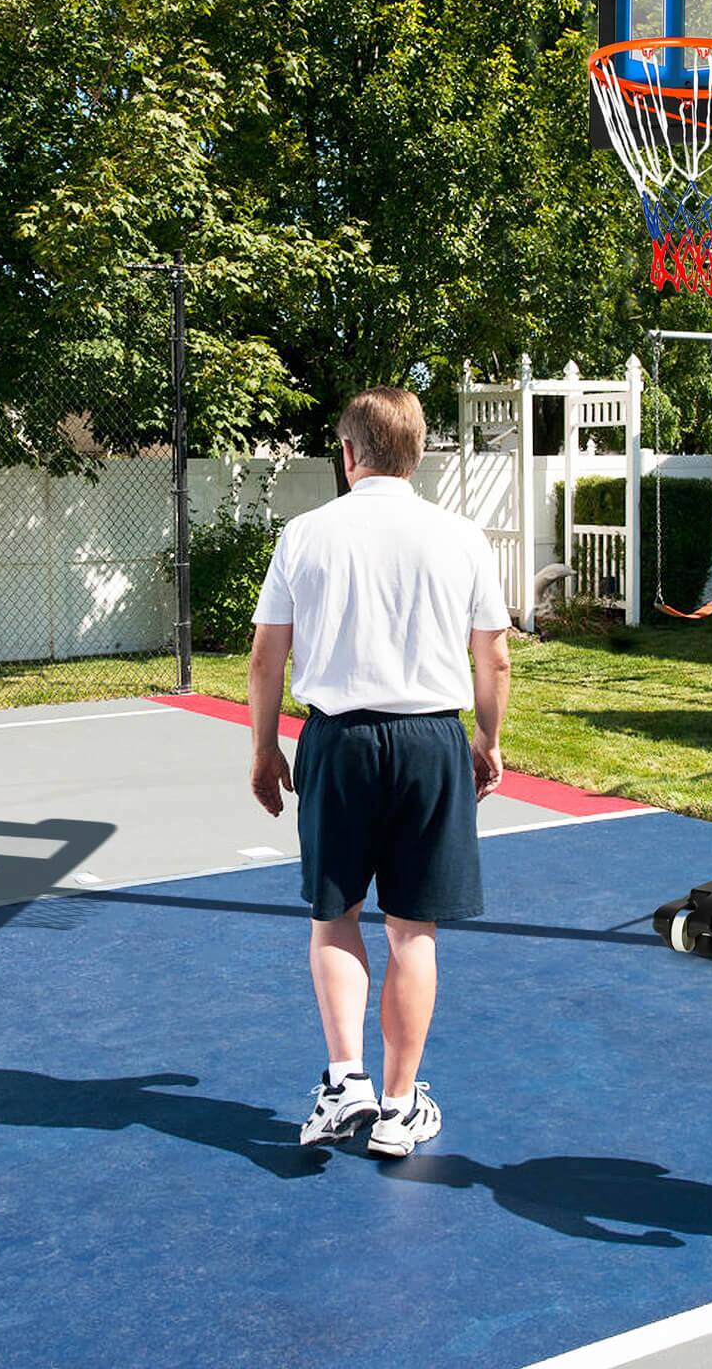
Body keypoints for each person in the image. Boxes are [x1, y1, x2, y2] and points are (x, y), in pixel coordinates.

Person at [248, 387, 512, 1158]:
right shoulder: (461, 535)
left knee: (334, 915)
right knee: (412, 929)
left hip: (336, 740)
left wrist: (265, 749)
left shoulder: (306, 532)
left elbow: (269, 655)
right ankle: (399, 1107)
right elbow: (492, 653)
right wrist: (489, 739)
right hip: (430, 740)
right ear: (418, 452)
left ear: (350, 452)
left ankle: (345, 1083)